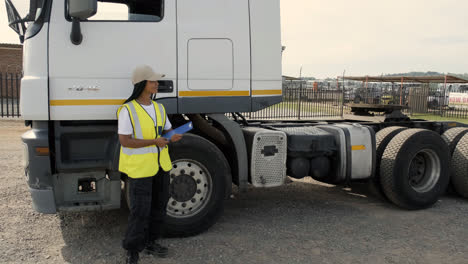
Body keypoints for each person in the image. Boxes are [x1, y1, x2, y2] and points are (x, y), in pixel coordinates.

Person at [117, 65, 182, 264]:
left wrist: (172, 136)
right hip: (140, 169)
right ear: (141, 84)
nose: (156, 84)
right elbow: (125, 140)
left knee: (158, 207)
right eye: (152, 81)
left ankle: (151, 242)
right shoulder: (127, 110)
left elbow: (166, 131)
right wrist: (154, 141)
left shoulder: (159, 108)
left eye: (156, 81)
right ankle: (132, 250)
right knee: (140, 211)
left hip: (160, 166)